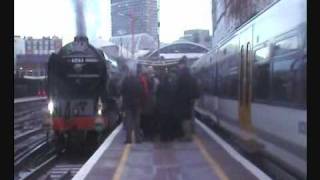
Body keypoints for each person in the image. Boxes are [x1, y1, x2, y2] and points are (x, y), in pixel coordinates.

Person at [174, 56, 200, 141]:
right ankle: (192, 132)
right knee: (190, 116)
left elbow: (177, 88)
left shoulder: (182, 75)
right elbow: (196, 87)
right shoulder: (191, 75)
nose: (178, 67)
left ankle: (187, 136)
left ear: (182, 65)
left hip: (183, 100)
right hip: (190, 99)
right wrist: (195, 97)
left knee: (185, 118)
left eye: (179, 65)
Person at [120, 65, 143, 144]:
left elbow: (121, 91)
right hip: (137, 104)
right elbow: (141, 91)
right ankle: (138, 139)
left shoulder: (125, 80)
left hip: (128, 104)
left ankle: (128, 139)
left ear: (129, 72)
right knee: (137, 122)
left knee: (129, 122)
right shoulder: (137, 80)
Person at [156, 70, 176, 141]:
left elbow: (157, 95)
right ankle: (170, 137)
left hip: (162, 107)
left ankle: (163, 137)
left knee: (162, 122)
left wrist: (158, 104)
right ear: (168, 78)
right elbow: (174, 96)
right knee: (169, 122)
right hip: (170, 107)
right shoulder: (171, 86)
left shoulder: (160, 85)